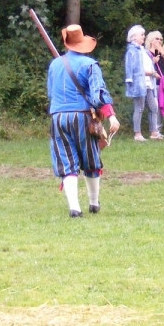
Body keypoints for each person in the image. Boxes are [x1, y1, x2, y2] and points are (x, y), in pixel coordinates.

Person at [47, 24, 119, 217]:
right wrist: (111, 116)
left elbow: (50, 93)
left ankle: (74, 208)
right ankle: (94, 203)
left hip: (58, 117)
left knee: (67, 162)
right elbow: (99, 94)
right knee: (90, 160)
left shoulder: (54, 65)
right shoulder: (90, 65)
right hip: (82, 116)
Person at [124, 25, 161, 141]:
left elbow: (148, 63)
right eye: (142, 35)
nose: (144, 37)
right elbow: (133, 69)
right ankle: (137, 134)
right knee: (139, 108)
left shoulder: (143, 50)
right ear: (134, 37)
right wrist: (151, 73)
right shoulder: (132, 51)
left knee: (154, 107)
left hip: (148, 83)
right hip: (139, 84)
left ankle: (154, 132)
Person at [146, 30, 164, 128]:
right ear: (150, 40)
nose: (159, 41)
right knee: (153, 106)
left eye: (161, 39)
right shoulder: (146, 53)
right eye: (157, 39)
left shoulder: (161, 54)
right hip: (150, 82)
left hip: (160, 83)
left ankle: (158, 129)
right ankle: (154, 129)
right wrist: (153, 61)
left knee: (161, 104)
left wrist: (163, 53)